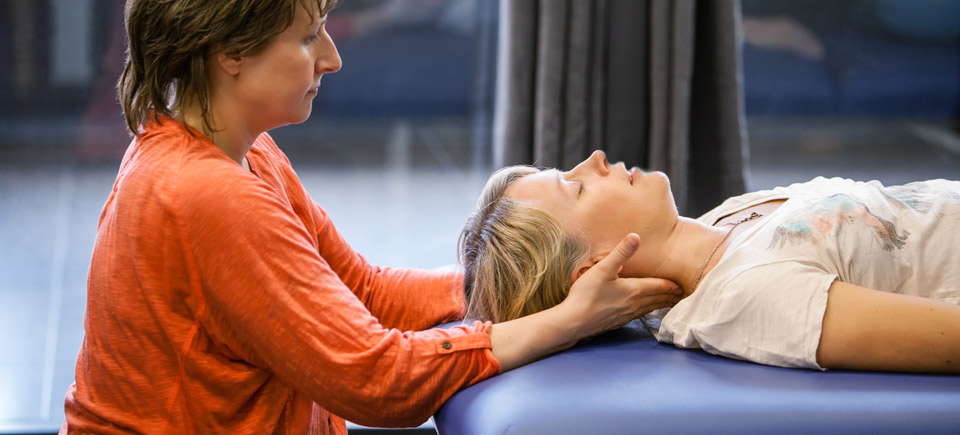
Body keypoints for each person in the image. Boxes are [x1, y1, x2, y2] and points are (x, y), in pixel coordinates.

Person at [60, 1, 682, 433]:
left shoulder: (236, 154)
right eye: (307, 38)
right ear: (229, 52)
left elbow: (361, 291)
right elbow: (375, 378)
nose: (330, 58)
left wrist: (528, 286)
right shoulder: (204, 195)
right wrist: (566, 320)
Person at [460, 150, 960, 373]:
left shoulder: (724, 219)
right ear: (593, 270)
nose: (595, 158)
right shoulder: (744, 297)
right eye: (578, 186)